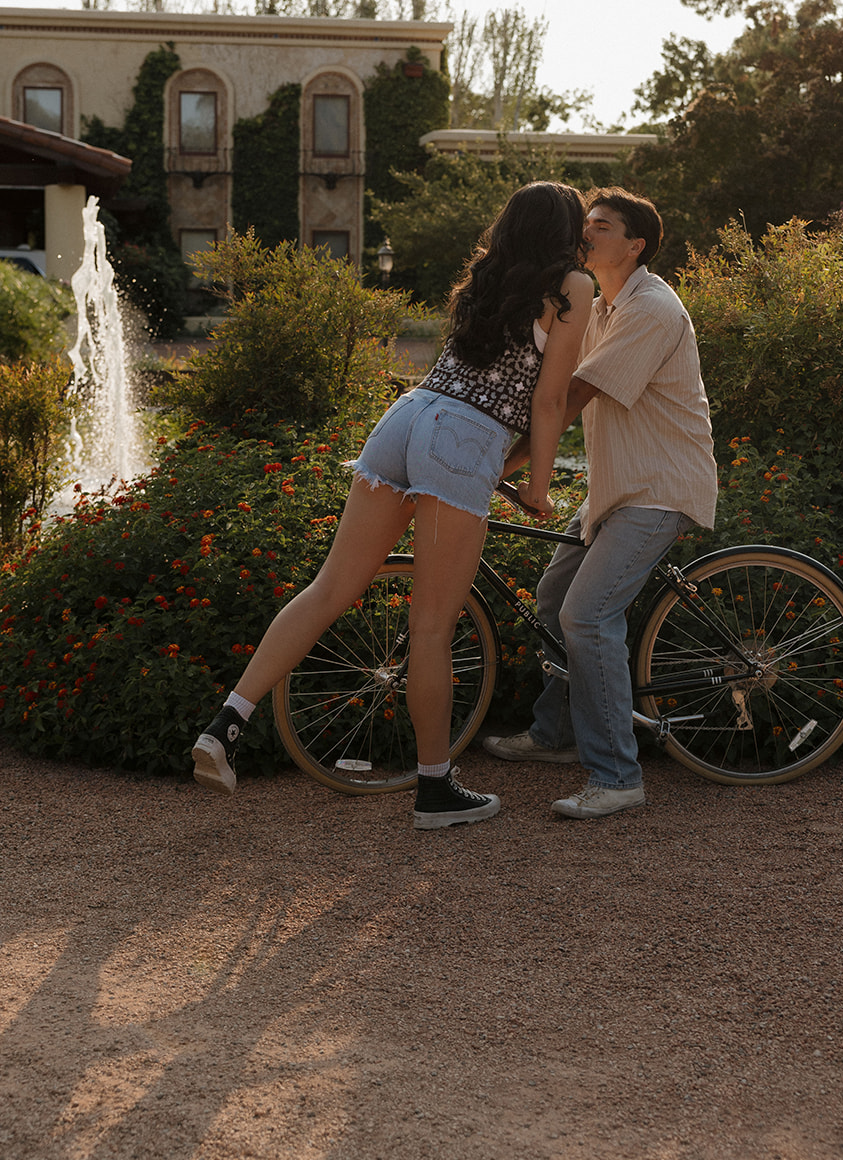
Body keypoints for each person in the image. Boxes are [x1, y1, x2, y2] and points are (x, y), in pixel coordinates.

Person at [191, 182, 594, 830]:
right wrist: (539, 485)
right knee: (432, 626)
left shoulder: (485, 279)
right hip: (464, 437)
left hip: (407, 418)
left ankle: (228, 719)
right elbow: (548, 401)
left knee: (329, 588)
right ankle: (434, 789)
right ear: (567, 230)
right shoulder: (572, 285)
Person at [485, 187, 717, 819]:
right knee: (556, 599)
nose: (587, 234)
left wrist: (493, 465)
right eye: (585, 224)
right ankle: (555, 735)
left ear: (634, 245)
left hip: (659, 489)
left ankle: (617, 775)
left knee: (587, 617)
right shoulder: (602, 304)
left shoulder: (650, 307)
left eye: (602, 227)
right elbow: (546, 379)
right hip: (615, 490)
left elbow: (577, 391)